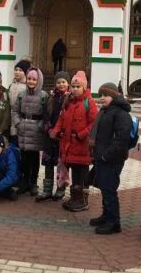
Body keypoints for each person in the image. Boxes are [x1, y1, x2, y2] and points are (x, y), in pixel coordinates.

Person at [88, 82, 133, 235]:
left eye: (105, 95)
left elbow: (121, 139)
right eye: (100, 95)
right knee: (105, 187)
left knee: (109, 189)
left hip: (112, 158)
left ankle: (114, 222)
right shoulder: (106, 111)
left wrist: (106, 155)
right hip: (102, 156)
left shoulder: (121, 114)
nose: (102, 98)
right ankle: (106, 215)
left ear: (113, 96)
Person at [50, 71, 97, 211]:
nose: (75, 89)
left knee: (81, 174)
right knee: (74, 173)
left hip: (81, 146)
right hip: (69, 145)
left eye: (78, 86)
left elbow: (93, 124)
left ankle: (82, 200)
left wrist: (81, 135)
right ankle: (74, 198)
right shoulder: (68, 101)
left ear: (84, 87)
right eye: (73, 86)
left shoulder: (90, 102)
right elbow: (61, 119)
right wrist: (56, 131)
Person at [12, 67, 48, 196]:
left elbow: (46, 114)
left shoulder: (44, 96)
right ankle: (25, 182)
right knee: (24, 158)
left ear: (38, 80)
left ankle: (33, 183)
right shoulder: (22, 95)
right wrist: (18, 123)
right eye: (29, 79)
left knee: (34, 159)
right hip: (23, 130)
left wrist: (41, 126)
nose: (31, 81)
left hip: (36, 132)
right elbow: (15, 111)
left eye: (34, 79)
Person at [36, 71, 71, 202]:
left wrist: (61, 131)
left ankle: (60, 189)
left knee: (61, 164)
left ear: (68, 83)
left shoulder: (70, 98)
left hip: (62, 137)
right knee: (49, 164)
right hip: (50, 136)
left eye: (63, 82)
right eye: (58, 82)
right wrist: (49, 128)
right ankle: (47, 190)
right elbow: (45, 114)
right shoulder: (51, 98)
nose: (61, 84)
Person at [7, 58, 31, 145]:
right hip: (11, 120)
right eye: (16, 70)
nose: (17, 72)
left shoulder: (28, 87)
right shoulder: (11, 85)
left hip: (22, 121)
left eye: (20, 70)